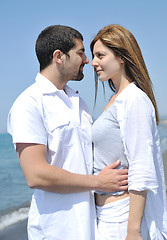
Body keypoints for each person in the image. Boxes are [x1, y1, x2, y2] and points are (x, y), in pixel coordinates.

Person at [7, 25, 128, 240]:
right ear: (59, 56)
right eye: (81, 53)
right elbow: (35, 175)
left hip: (90, 223)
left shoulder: (78, 102)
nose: (87, 61)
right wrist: (99, 182)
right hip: (56, 228)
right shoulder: (29, 103)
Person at [90, 24, 167, 240]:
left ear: (121, 57)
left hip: (121, 218)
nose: (94, 62)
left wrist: (132, 231)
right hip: (105, 214)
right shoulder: (116, 100)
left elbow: (141, 167)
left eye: (100, 55)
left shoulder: (134, 100)